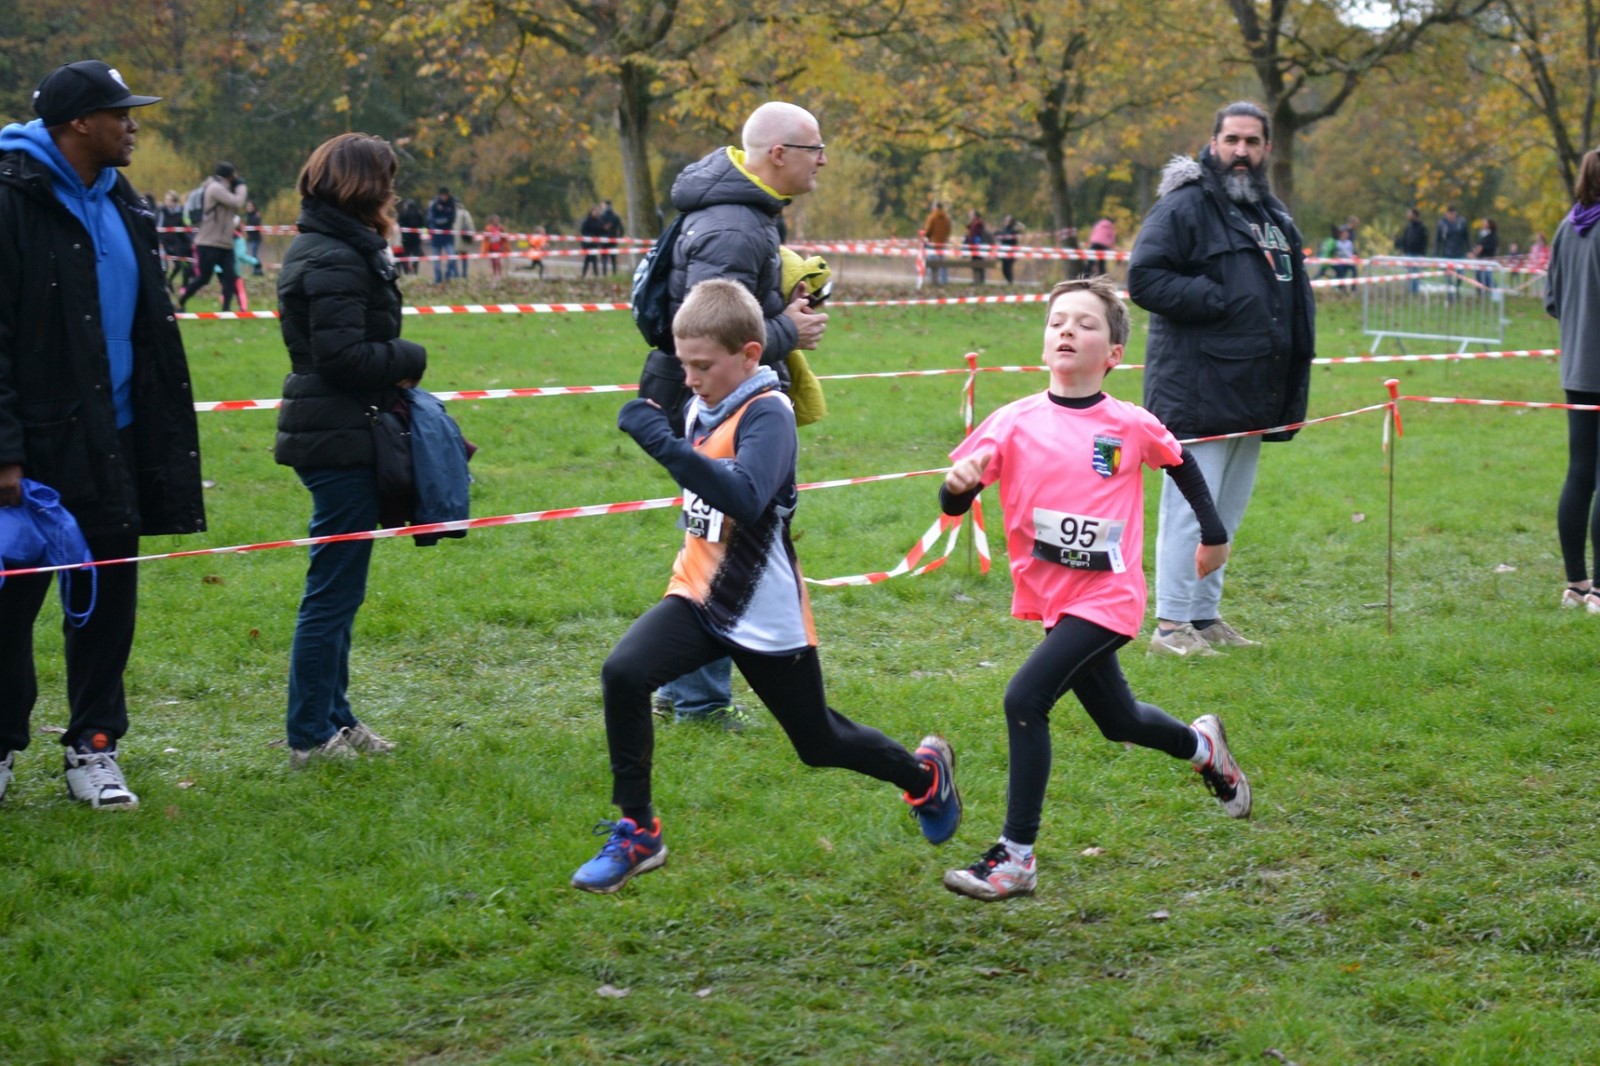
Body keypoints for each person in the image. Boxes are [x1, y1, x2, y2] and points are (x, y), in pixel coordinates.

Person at [571, 279, 959, 893]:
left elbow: (746, 497)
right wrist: (664, 420)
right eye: (684, 365)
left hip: (762, 609)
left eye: (703, 366)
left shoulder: (769, 414)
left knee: (818, 741)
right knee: (624, 672)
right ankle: (638, 829)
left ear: (750, 354)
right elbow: (696, 471)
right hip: (696, 592)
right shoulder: (700, 402)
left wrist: (661, 442)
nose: (690, 379)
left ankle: (923, 777)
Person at [937, 277, 1251, 901]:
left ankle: (1016, 857)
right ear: (1043, 341)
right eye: (1058, 321)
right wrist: (958, 485)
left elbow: (1180, 463)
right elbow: (952, 504)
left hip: (1109, 596)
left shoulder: (1128, 424)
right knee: (1119, 720)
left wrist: (1213, 535)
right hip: (1054, 597)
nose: (1067, 331)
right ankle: (1202, 746)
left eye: (1085, 324)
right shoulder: (1013, 422)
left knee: (1025, 698)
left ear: (1113, 353)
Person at [0, 59, 207, 808]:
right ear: (78, 122)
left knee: (108, 600)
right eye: (121, 113)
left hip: (116, 439)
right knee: (8, 608)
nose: (134, 125)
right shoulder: (11, 197)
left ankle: (94, 747)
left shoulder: (124, 201)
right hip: (33, 450)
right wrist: (5, 450)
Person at [634, 101, 830, 728]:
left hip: (708, 398)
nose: (823, 160)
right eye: (815, 149)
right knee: (724, 539)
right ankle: (699, 700)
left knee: (713, 534)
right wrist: (789, 329)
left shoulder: (746, 215)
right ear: (779, 154)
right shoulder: (737, 227)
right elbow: (709, 339)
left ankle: (681, 691)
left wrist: (783, 299)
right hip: (708, 400)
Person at [1127, 100, 1315, 657]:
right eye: (1231, 139)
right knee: (1191, 512)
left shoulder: (1271, 214)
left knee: (1226, 513)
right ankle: (1170, 628)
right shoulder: (1185, 205)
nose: (1241, 151)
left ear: (1267, 149)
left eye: (1252, 142)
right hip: (1199, 388)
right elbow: (1144, 277)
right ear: (1213, 143)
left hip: (1252, 390)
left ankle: (1204, 618)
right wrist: (1218, 298)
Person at [274, 132, 425, 767]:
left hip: (343, 429)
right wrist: (410, 356)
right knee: (332, 592)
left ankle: (335, 717)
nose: (393, 192)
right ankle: (310, 734)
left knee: (342, 588)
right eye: (387, 180)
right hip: (337, 435)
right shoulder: (333, 255)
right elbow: (341, 358)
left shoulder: (338, 247)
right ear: (364, 186)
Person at [1545, 149, 1600, 614]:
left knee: (1579, 474)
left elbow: (1553, 300)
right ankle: (1598, 590)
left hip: (1577, 370)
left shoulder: (1568, 227)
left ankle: (1576, 585)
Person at [176, 160, 247, 312]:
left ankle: (226, 311)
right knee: (204, 278)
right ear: (229, 175)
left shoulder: (225, 188)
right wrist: (241, 186)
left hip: (225, 243)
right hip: (208, 243)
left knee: (230, 278)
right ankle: (181, 302)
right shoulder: (215, 188)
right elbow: (237, 202)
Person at [156, 188, 192, 291]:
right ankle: (162, 286)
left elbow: (183, 227)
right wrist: (159, 241)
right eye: (166, 199)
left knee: (178, 266)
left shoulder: (180, 211)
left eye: (169, 200)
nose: (167, 202)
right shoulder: (162, 211)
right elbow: (158, 227)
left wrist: (188, 239)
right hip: (163, 241)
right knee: (164, 267)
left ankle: (169, 281)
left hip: (176, 242)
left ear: (174, 201)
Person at [426, 187, 456, 282]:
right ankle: (437, 279)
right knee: (436, 260)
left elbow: (452, 218)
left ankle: (447, 275)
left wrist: (443, 217)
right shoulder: (434, 204)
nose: (444, 197)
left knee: (452, 257)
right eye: (442, 195)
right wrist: (442, 220)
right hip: (436, 236)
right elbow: (431, 219)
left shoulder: (452, 204)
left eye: (445, 195)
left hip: (447, 235)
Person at [1396, 206, 1429, 293]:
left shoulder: (1421, 227)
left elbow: (1424, 242)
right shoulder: (1408, 227)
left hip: (1417, 254)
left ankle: (1415, 291)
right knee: (1410, 273)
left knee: (1416, 274)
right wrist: (1403, 249)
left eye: (1409, 213)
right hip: (1409, 254)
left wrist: (1422, 254)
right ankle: (1411, 291)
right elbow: (1405, 240)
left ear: (1414, 215)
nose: (1408, 215)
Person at [923, 200, 952, 285]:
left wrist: (925, 237)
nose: (932, 208)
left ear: (936, 207)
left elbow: (928, 229)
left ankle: (933, 279)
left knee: (931, 261)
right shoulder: (946, 218)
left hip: (933, 242)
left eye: (933, 207)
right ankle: (944, 280)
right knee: (942, 262)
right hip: (942, 243)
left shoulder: (932, 217)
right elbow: (948, 229)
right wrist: (945, 238)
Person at [396, 197, 425, 275]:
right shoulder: (419, 213)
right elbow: (423, 225)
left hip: (406, 239)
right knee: (416, 255)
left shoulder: (403, 213)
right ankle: (415, 271)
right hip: (416, 238)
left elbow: (399, 223)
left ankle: (406, 271)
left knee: (406, 255)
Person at [1472, 217, 1498, 292]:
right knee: (1479, 276)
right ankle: (1481, 292)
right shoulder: (1482, 234)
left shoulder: (1492, 236)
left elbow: (1482, 247)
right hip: (1480, 258)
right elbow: (1478, 245)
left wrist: (1477, 251)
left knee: (1487, 276)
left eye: (1485, 223)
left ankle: (1494, 290)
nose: (1483, 224)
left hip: (1487, 258)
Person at [599, 198, 623, 275]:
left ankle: (604, 273)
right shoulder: (615, 217)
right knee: (613, 258)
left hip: (603, 239)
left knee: (604, 258)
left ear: (605, 205)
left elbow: (598, 228)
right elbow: (621, 228)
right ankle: (614, 273)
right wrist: (619, 237)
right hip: (613, 239)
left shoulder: (601, 216)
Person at [579, 205, 604, 278]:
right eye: (594, 211)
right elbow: (583, 231)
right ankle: (588, 274)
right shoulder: (587, 221)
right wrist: (591, 236)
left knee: (593, 258)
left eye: (597, 212)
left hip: (595, 243)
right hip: (587, 243)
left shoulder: (599, 221)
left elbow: (600, 230)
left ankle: (592, 274)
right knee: (589, 258)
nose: (596, 213)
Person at [996, 213, 1022, 284]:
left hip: (1010, 252)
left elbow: (1014, 240)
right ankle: (1009, 282)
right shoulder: (1003, 229)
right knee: (1004, 269)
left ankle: (1010, 282)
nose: (1006, 221)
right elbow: (1001, 237)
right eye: (1005, 220)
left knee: (1008, 268)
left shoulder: (1013, 230)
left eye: (1008, 220)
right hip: (1003, 252)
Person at [452, 197, 474, 280]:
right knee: (464, 259)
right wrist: (471, 236)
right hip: (464, 239)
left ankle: (456, 275)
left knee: (454, 259)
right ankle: (464, 275)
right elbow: (470, 225)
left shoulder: (451, 213)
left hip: (454, 240)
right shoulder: (466, 213)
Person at [965, 207, 989, 285]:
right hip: (974, 246)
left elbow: (974, 235)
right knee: (975, 263)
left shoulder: (977, 224)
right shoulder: (974, 223)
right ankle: (977, 280)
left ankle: (979, 280)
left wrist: (969, 239)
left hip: (977, 246)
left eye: (971, 214)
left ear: (975, 215)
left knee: (978, 263)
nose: (969, 216)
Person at [482, 213, 507, 279]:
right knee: (493, 262)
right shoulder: (489, 228)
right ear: (492, 221)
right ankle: (494, 274)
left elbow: (504, 236)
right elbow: (486, 237)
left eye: (498, 220)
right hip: (491, 247)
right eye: (495, 220)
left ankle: (499, 274)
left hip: (499, 247)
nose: (497, 221)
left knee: (498, 262)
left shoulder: (500, 228)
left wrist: (504, 246)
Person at [244, 199, 263, 276]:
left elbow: (256, 225)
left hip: (255, 238)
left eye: (250, 206)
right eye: (248, 206)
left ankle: (257, 270)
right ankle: (257, 270)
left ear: (254, 207)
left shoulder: (256, 215)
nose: (249, 207)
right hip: (251, 238)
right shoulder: (248, 216)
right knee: (253, 255)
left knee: (254, 255)